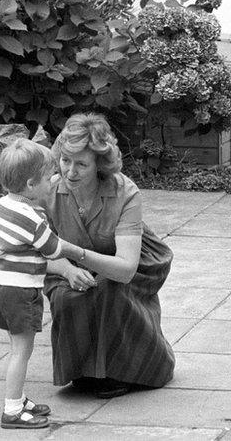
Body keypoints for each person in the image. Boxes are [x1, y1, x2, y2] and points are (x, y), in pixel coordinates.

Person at [42, 113, 175, 399]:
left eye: (81, 165)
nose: (70, 172)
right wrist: (66, 269)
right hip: (69, 263)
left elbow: (126, 268)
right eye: (65, 161)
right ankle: (83, 371)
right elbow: (35, 250)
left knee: (109, 289)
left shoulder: (125, 193)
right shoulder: (49, 192)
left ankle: (133, 370)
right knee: (67, 295)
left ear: (100, 165)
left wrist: (76, 252)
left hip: (127, 263)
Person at [0, 139, 87, 429]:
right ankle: (12, 410)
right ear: (30, 185)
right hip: (23, 290)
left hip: (1, 287)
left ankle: (20, 398)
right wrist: (78, 253)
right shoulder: (33, 216)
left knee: (15, 345)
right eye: (47, 178)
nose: (53, 181)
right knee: (21, 352)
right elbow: (52, 249)